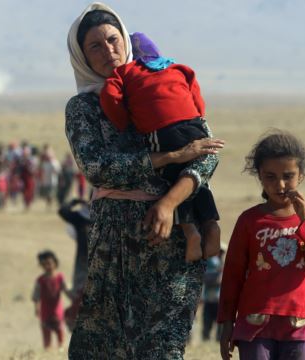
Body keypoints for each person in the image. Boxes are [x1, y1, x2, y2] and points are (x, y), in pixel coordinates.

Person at [65, 3, 224, 358]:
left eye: (113, 39)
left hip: (175, 239)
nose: (108, 51)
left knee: (162, 347)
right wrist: (166, 157)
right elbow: (97, 167)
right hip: (114, 247)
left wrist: (169, 203)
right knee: (103, 348)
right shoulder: (83, 108)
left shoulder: (161, 82)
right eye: (95, 46)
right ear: (82, 56)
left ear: (126, 40)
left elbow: (207, 152)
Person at [100, 31, 221, 262]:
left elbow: (109, 95)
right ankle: (211, 224)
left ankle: (191, 232)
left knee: (170, 176)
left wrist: (123, 120)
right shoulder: (177, 67)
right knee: (197, 177)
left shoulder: (125, 71)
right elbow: (195, 91)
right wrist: (197, 117)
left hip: (163, 130)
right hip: (194, 125)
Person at [218, 131, 305, 360]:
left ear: (300, 175)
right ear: (260, 176)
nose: (280, 184)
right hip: (254, 323)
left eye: (288, 176)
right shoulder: (249, 220)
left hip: (298, 323)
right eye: (270, 176)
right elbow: (233, 274)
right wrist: (226, 323)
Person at [58, 199, 91, 331]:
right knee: (79, 296)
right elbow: (63, 210)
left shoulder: (107, 214)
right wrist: (76, 201)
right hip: (82, 264)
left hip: (105, 263)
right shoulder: (80, 218)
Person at [32, 250, 71, 351]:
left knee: (60, 331)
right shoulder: (40, 280)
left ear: (55, 263)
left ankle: (61, 349)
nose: (47, 266)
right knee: (46, 334)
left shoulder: (60, 278)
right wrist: (36, 307)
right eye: (44, 264)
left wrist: (74, 299)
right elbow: (36, 296)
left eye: (49, 263)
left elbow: (67, 291)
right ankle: (47, 351)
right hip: (45, 312)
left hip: (57, 312)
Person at [202, 246, 225, 342]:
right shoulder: (211, 263)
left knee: (219, 324)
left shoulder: (221, 265)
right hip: (210, 299)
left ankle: (217, 339)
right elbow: (210, 279)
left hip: (218, 300)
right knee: (207, 323)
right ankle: (207, 339)